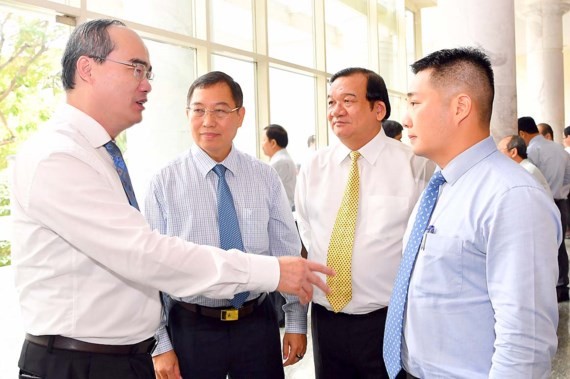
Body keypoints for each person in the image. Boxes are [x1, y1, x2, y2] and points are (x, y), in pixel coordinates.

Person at [11, 19, 332, 379]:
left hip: (124, 355)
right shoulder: (60, 156)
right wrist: (270, 270)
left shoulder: (98, 153)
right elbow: (147, 255)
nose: (147, 85)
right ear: (88, 69)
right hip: (80, 362)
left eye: (148, 72)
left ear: (239, 116)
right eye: (136, 69)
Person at [383, 47, 560, 379]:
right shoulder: (440, 186)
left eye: (415, 103)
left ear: (460, 107)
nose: (406, 118)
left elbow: (525, 342)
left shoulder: (512, 197)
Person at [145, 71, 307, 379]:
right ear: (187, 114)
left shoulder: (264, 177)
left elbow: (288, 253)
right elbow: (149, 271)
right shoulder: (164, 182)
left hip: (256, 323)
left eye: (220, 111)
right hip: (191, 327)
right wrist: (160, 345)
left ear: (240, 115)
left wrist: (296, 322)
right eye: (199, 110)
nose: (208, 121)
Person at [295, 67, 433, 379]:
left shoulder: (415, 166)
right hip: (326, 319)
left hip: (387, 319)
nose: (336, 111)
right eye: (330, 102)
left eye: (347, 100)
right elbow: (307, 230)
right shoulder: (313, 167)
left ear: (378, 109)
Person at [518, 116, 570, 302]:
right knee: (559, 245)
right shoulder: (559, 148)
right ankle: (562, 286)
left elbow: (530, 178)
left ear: (522, 133)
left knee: (541, 246)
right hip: (561, 202)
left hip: (541, 203)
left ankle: (545, 289)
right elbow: (567, 178)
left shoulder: (532, 150)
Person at [262, 124, 297, 210]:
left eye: (263, 140)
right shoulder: (282, 159)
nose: (262, 144)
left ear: (273, 143)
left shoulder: (280, 162)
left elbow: (264, 191)